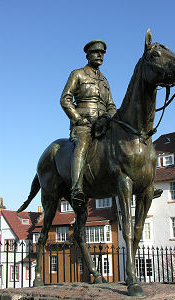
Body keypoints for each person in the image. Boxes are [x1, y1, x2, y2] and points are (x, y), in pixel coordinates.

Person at [60, 40, 117, 205]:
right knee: (83, 144)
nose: (100, 55)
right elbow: (65, 99)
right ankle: (77, 188)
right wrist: (78, 119)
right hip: (83, 124)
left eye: (102, 53)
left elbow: (111, 106)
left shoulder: (105, 81)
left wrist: (107, 117)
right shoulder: (77, 74)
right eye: (96, 52)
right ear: (88, 54)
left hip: (103, 124)